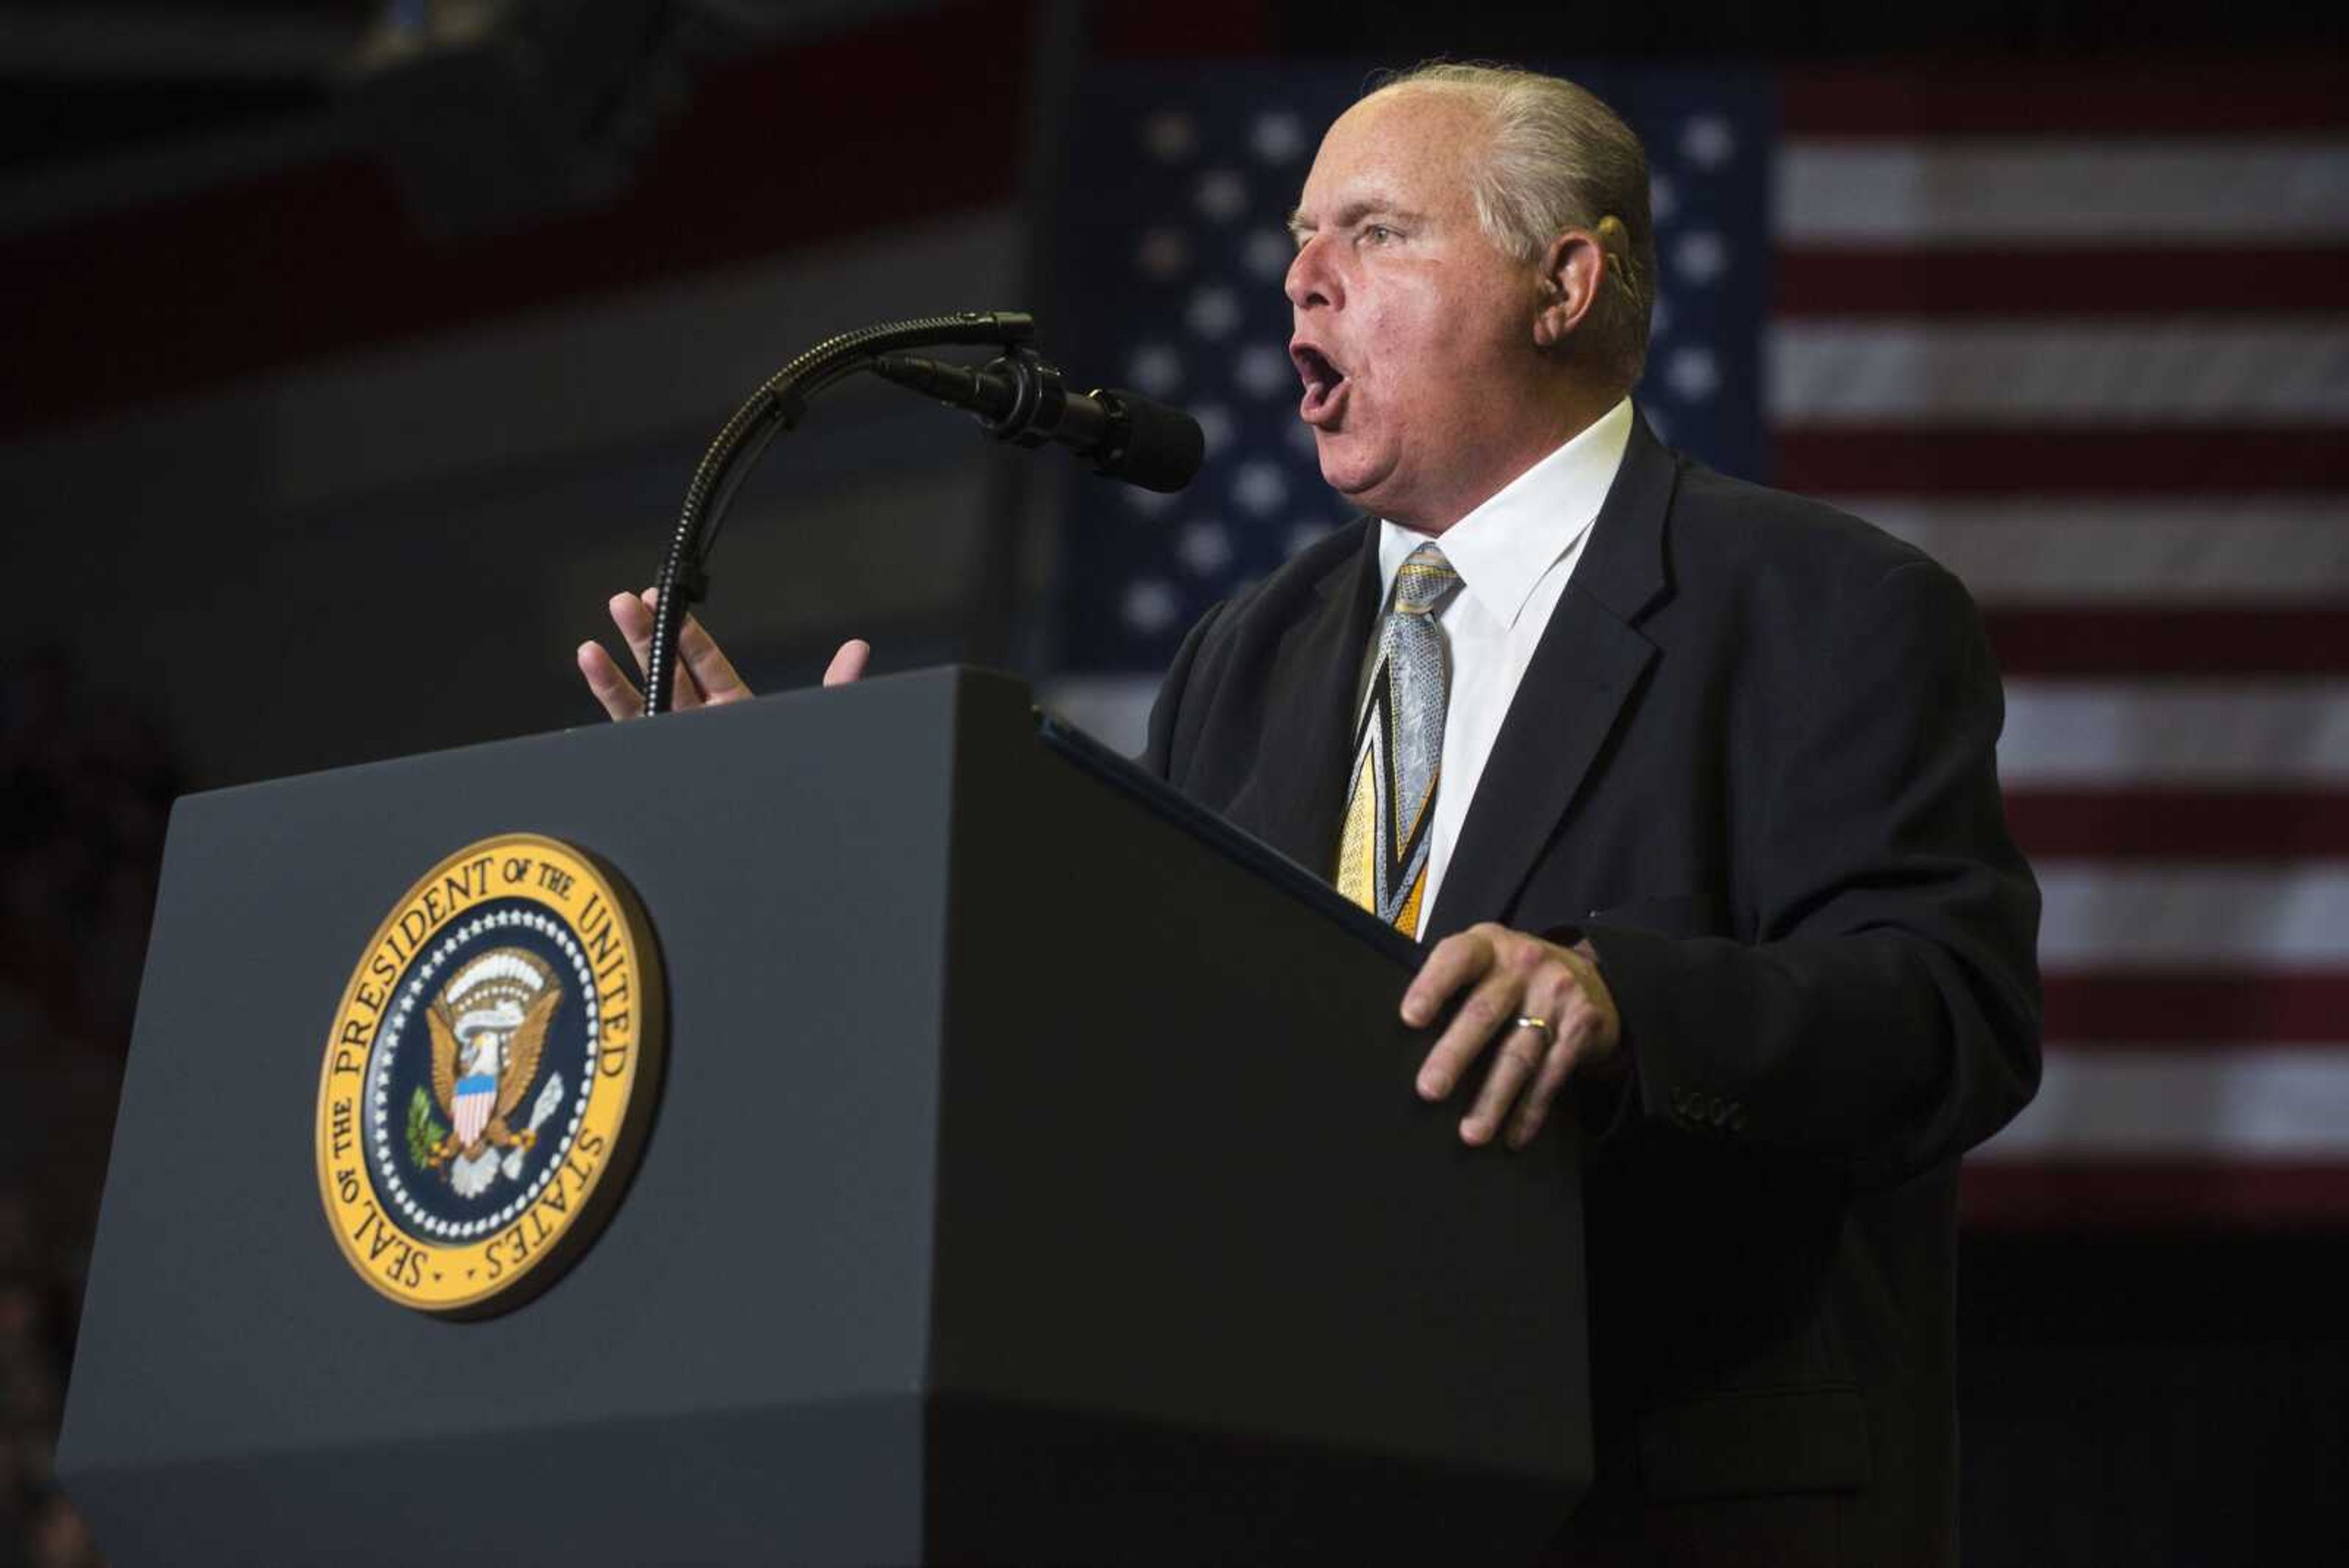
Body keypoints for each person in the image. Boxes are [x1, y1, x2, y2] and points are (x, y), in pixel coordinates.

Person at [578, 62, 2040, 1567]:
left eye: (1375, 231)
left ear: (1566, 282)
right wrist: (823, 858)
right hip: (1291, 1491)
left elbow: (1950, 1010)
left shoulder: (1825, 608)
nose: (1299, 278)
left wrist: (1621, 1002)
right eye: (1297, 238)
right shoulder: (1246, 656)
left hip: (1652, 1500)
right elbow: (1135, 1061)